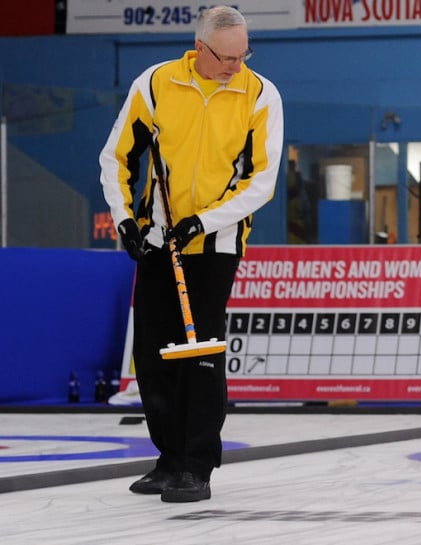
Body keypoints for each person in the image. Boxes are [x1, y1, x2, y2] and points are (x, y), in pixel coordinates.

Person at [99, 5, 283, 503]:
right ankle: (168, 458)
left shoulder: (261, 94)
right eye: (227, 57)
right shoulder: (155, 83)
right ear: (200, 48)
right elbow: (115, 158)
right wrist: (125, 220)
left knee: (200, 352)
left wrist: (206, 221)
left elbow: (261, 182)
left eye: (244, 55)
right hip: (158, 241)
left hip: (215, 244)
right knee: (153, 355)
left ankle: (197, 464)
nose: (236, 66)